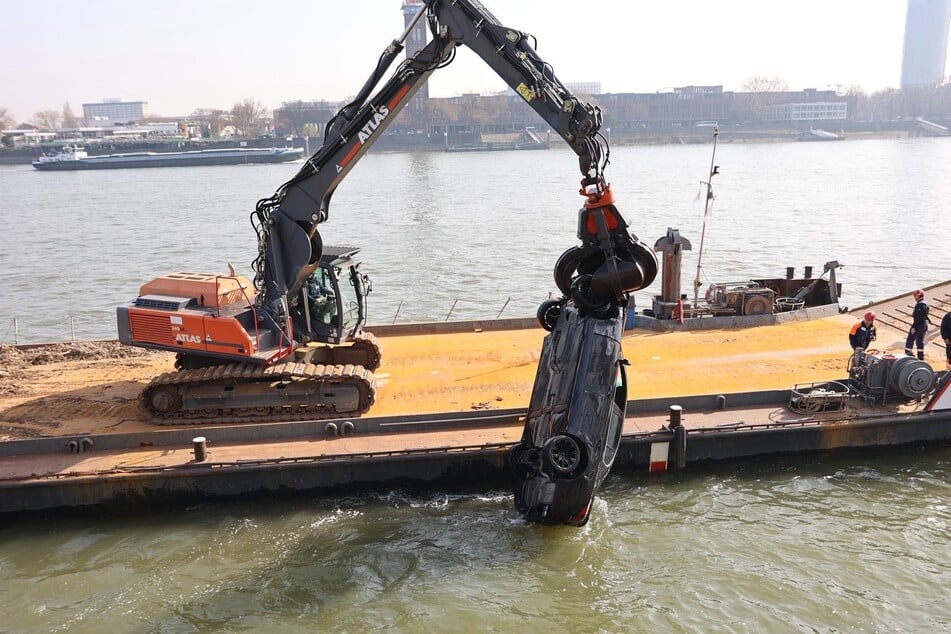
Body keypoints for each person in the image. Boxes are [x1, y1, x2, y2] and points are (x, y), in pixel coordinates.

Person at [904, 289, 930, 360]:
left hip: (919, 325)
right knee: (920, 340)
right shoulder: (926, 303)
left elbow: (917, 317)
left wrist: (913, 327)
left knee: (910, 339)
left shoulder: (920, 305)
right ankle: (921, 357)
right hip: (924, 324)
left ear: (917, 296)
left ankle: (908, 355)